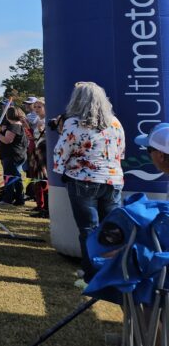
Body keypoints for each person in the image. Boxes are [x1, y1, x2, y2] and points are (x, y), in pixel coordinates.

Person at [52, 81, 125, 278]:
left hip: (83, 179)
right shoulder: (116, 122)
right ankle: (113, 272)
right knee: (112, 228)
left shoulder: (73, 123)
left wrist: (60, 168)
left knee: (88, 229)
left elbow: (61, 152)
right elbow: (120, 152)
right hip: (113, 179)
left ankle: (91, 275)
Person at [0, 107, 28, 205]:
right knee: (16, 177)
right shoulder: (19, 125)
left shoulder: (14, 127)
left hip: (12, 156)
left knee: (10, 177)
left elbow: (7, 140)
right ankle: (19, 198)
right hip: (17, 155)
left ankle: (8, 199)